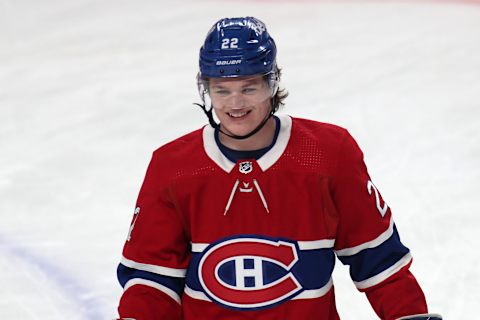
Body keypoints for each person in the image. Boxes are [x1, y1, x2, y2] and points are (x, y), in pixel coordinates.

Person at [116, 17, 442, 320]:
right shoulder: (173, 166)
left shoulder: (329, 154)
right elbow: (152, 279)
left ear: (272, 83)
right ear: (206, 89)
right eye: (222, 90)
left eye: (249, 88)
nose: (235, 104)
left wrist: (407, 315)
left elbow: (377, 259)